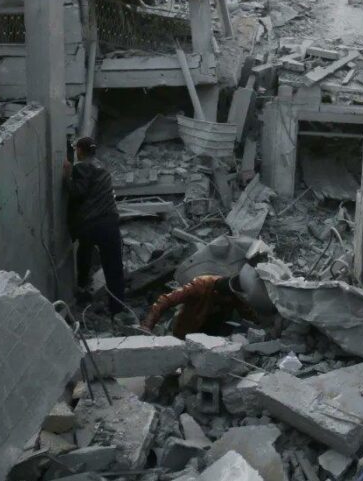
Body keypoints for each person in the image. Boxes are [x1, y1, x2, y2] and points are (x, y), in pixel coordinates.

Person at [63, 136, 126, 316]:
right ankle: (117, 308)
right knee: (113, 266)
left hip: (92, 223)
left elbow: (78, 192)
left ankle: (82, 289)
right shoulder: (102, 167)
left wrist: (67, 177)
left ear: (80, 151)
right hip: (110, 222)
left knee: (84, 254)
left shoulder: (82, 167)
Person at [141, 265, 271, 338]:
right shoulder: (200, 285)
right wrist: (148, 325)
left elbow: (246, 312)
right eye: (225, 299)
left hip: (213, 331)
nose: (228, 301)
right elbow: (165, 300)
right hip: (189, 330)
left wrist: (264, 325)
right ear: (217, 292)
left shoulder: (234, 293)